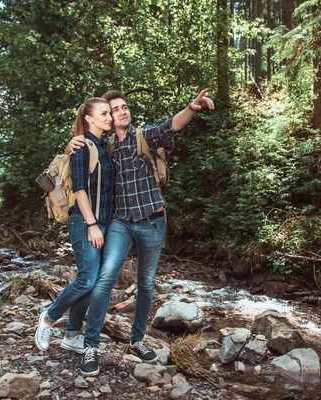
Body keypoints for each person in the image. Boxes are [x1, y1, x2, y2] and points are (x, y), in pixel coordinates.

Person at [66, 88, 214, 376]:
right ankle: (90, 346)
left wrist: (192, 108)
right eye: (113, 109)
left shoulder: (145, 136)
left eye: (124, 107)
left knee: (146, 284)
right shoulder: (103, 147)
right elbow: (81, 162)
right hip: (121, 222)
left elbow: (173, 125)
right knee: (105, 278)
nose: (121, 111)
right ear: (106, 117)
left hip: (153, 221)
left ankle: (136, 340)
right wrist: (71, 146)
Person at [34, 98, 115, 370]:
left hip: (103, 222)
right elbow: (80, 189)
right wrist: (92, 224)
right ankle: (48, 318)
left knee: (93, 284)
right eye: (104, 114)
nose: (109, 118)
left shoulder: (105, 146)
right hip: (84, 221)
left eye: (109, 113)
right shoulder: (82, 147)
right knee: (86, 279)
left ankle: (71, 336)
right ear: (89, 118)